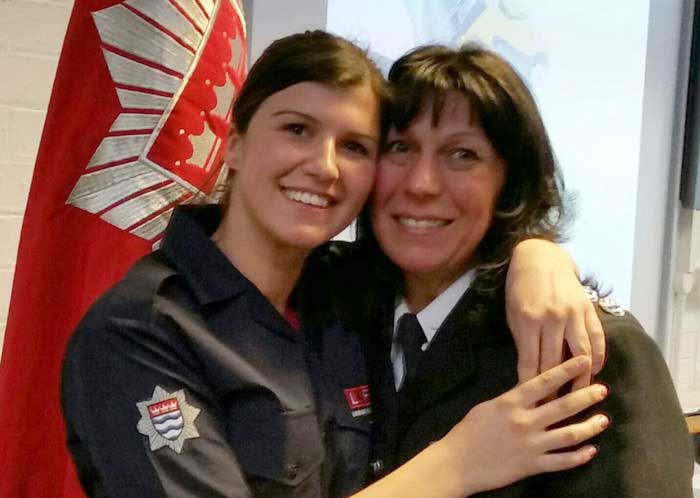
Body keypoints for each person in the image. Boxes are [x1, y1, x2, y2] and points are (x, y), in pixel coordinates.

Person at [61, 32, 609, 498]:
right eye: (296, 129)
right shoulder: (140, 331)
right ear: (233, 143)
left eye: (355, 146)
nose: (324, 167)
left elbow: (463, 245)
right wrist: (457, 465)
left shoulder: (353, 293)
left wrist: (538, 256)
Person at [347, 43, 694, 496]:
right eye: (400, 148)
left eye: (462, 155)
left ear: (510, 181)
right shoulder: (335, 310)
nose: (421, 184)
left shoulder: (585, 352)